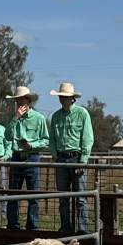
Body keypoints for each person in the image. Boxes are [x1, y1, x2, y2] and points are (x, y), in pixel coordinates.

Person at [48, 82, 94, 233]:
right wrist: (54, 155)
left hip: (77, 157)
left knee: (80, 198)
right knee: (63, 197)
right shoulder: (55, 116)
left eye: (65, 96)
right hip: (61, 158)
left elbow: (87, 138)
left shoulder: (82, 113)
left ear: (72, 98)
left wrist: (83, 160)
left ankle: (82, 229)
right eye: (61, 96)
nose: (62, 99)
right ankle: (66, 228)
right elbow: (52, 138)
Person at [3, 86, 50, 230]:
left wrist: (31, 145)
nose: (18, 103)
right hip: (17, 158)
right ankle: (13, 225)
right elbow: (7, 136)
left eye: (20, 100)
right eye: (16, 100)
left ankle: (32, 226)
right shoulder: (14, 118)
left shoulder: (39, 118)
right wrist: (15, 118)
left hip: (32, 158)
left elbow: (46, 141)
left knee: (33, 195)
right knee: (13, 195)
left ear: (28, 101)